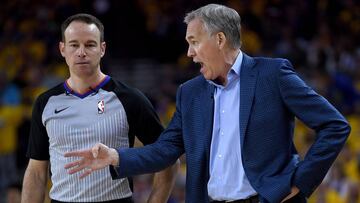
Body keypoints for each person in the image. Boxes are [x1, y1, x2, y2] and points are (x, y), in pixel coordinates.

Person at [64, 4, 351, 203]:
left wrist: (301, 181)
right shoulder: (190, 93)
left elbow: (335, 126)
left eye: (194, 42)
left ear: (220, 39)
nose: (189, 53)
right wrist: (116, 157)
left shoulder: (272, 75)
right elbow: (165, 150)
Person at [21, 13, 179, 203]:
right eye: (74, 45)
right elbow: (37, 172)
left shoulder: (130, 99)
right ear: (62, 49)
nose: (81, 52)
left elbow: (168, 159)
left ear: (102, 49)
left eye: (89, 44)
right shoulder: (45, 102)